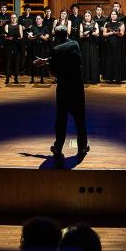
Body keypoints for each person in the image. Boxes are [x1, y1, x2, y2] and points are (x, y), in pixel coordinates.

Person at [35, 27, 88, 158]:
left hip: (64, 87)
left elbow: (54, 71)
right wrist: (47, 60)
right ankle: (82, 147)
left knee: (61, 118)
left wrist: (48, 63)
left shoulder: (56, 50)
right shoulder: (75, 44)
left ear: (58, 37)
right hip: (77, 86)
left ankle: (58, 148)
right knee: (80, 118)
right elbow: (66, 57)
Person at [102, 10, 126, 83]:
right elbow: (104, 34)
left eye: (115, 14)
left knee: (117, 59)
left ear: (117, 15)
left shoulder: (121, 23)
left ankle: (118, 78)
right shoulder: (107, 23)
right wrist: (111, 33)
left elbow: (122, 34)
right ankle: (109, 78)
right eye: (112, 14)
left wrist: (117, 33)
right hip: (109, 44)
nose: (113, 15)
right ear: (110, 15)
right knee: (109, 59)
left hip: (118, 43)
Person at [79, 10, 101, 84]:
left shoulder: (95, 23)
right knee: (85, 60)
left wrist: (92, 33)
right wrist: (84, 34)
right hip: (85, 44)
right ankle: (85, 79)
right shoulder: (82, 24)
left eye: (88, 16)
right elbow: (80, 35)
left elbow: (98, 34)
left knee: (93, 60)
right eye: (86, 16)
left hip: (93, 44)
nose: (87, 17)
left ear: (91, 16)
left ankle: (93, 79)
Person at [29, 14, 50, 84]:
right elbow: (30, 36)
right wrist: (31, 36)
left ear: (42, 20)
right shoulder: (33, 27)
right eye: (36, 19)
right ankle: (32, 78)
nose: (37, 20)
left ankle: (41, 78)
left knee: (42, 62)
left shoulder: (45, 27)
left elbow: (46, 37)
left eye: (39, 19)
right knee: (33, 61)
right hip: (34, 46)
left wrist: (41, 36)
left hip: (42, 46)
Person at [3, 13, 24, 84]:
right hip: (9, 45)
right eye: (12, 17)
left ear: (17, 18)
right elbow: (5, 36)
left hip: (17, 45)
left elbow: (21, 36)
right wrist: (9, 37)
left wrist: (15, 37)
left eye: (15, 17)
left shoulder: (19, 26)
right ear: (10, 18)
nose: (13, 19)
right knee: (8, 62)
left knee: (17, 62)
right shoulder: (7, 25)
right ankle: (7, 78)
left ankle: (16, 77)